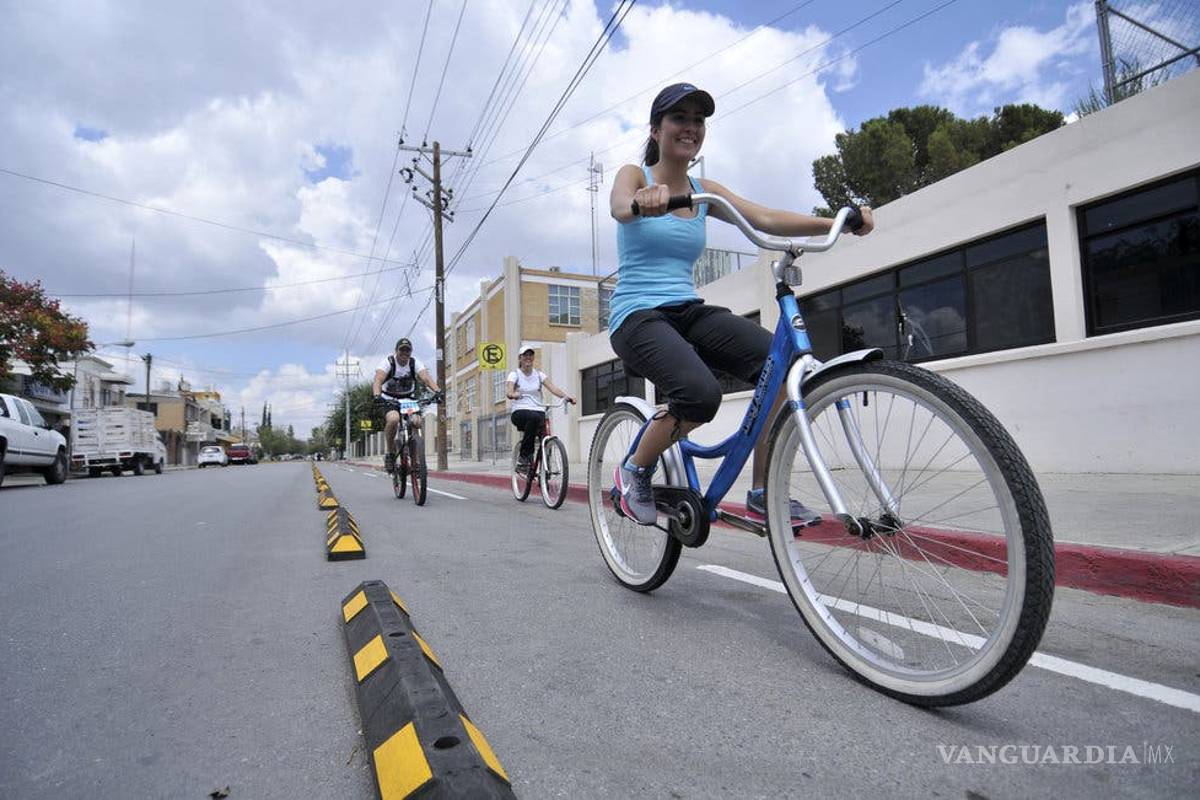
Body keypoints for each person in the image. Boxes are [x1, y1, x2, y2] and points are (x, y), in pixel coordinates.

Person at [607, 83, 875, 527]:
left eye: (698, 120)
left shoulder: (702, 189)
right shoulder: (635, 175)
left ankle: (762, 491)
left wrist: (838, 221)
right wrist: (642, 201)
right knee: (700, 395)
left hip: (687, 309)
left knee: (781, 366)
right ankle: (635, 468)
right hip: (637, 315)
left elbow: (763, 217)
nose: (690, 128)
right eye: (680, 118)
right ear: (656, 130)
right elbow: (620, 206)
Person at [372, 337, 440, 473]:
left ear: (411, 352)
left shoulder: (414, 363)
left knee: (416, 422)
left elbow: (426, 378)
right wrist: (377, 395)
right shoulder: (388, 362)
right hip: (389, 398)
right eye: (401, 350)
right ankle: (390, 453)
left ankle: (417, 459)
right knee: (393, 419)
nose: (404, 353)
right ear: (396, 351)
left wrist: (438, 391)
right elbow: (378, 379)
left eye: (407, 351)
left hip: (408, 399)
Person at [507, 344, 575, 471]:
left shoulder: (539, 375)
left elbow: (553, 388)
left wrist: (566, 397)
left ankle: (545, 468)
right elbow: (509, 390)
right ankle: (524, 458)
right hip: (520, 411)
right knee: (533, 418)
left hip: (538, 410)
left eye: (530, 355)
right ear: (520, 358)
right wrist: (513, 394)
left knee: (544, 433)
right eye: (525, 355)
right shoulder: (514, 374)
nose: (528, 358)